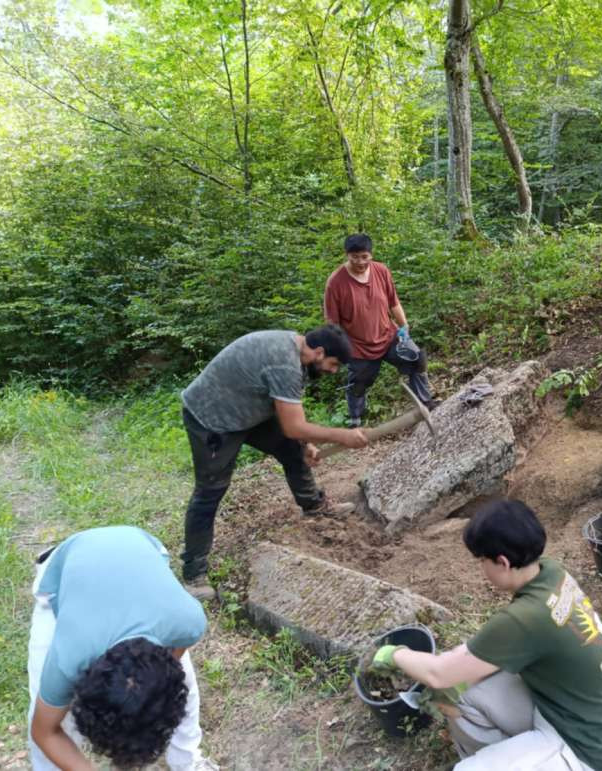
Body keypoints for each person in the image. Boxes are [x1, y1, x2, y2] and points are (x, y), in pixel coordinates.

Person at [368, 499, 602, 770]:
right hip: (568, 711)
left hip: (583, 750)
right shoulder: (550, 572)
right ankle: (516, 756)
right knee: (463, 695)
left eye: (481, 561)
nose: (481, 569)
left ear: (502, 562)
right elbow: (469, 664)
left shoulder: (525, 618)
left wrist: (394, 654)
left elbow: (438, 673)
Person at [179, 325, 367, 600]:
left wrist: (305, 442)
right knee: (210, 491)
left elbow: (286, 417)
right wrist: (341, 435)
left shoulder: (296, 352)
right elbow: (294, 426)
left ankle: (313, 505)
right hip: (212, 417)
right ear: (319, 351)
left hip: (248, 409)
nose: (333, 371)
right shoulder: (285, 364)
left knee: (292, 449)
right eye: (333, 364)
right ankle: (194, 573)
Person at [27, 526, 215, 771]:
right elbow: (45, 732)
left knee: (180, 684)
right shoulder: (68, 657)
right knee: (48, 717)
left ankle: (188, 762)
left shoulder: (187, 622)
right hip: (64, 568)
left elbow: (170, 671)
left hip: (139, 544)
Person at [324, 233, 436, 428]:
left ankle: (426, 402)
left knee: (417, 358)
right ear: (347, 255)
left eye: (364, 257)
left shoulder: (381, 271)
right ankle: (355, 421)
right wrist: (339, 350)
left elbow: (394, 302)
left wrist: (404, 328)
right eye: (355, 257)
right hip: (358, 346)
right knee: (359, 384)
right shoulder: (335, 282)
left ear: (371, 255)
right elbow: (332, 323)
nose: (360, 262)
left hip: (388, 336)